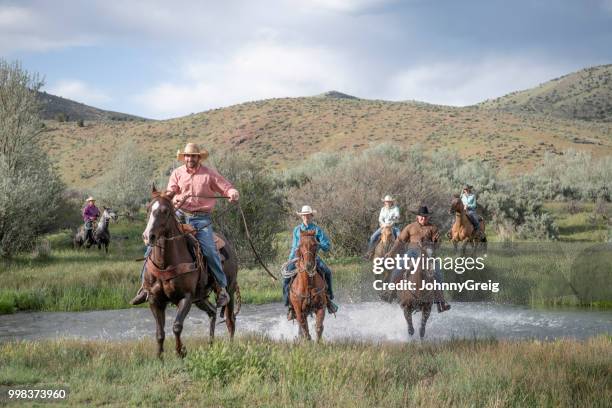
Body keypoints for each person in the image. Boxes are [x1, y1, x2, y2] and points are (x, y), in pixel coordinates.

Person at [130, 143, 239, 307]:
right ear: (184, 158)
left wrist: (232, 193)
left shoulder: (209, 174)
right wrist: (173, 198)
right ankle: (145, 287)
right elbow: (170, 192)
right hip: (179, 215)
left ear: (199, 157)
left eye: (193, 156)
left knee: (209, 250)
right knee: (152, 246)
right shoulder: (177, 173)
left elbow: (226, 187)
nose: (190, 159)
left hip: (201, 219)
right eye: (187, 156)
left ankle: (221, 289)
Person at [385, 206, 451, 312]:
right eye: (421, 217)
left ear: (428, 217)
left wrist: (436, 242)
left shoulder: (433, 228)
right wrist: (391, 252)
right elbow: (400, 240)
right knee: (401, 265)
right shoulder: (410, 227)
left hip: (427, 252)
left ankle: (441, 302)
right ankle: (390, 290)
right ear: (417, 216)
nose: (423, 218)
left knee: (437, 272)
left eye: (425, 217)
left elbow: (437, 245)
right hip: (412, 252)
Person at [285, 205, 338, 320]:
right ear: (301, 216)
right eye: (304, 215)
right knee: (286, 277)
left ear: (311, 216)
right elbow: (294, 246)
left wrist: (318, 245)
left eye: (308, 215)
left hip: (313, 258)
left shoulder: (317, 230)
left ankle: (329, 299)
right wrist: (290, 260)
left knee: (327, 272)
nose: (306, 217)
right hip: (298, 258)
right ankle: (289, 305)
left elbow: (326, 245)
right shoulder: (297, 230)